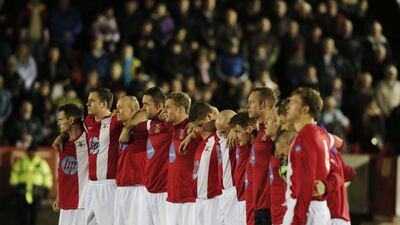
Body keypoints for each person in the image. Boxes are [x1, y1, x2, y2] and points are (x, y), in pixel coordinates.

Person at [282, 87, 331, 225]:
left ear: (304, 110)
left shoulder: (305, 137)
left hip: (306, 209)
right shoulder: (320, 134)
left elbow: (306, 182)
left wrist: (298, 219)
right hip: (316, 209)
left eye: (293, 102)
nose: (288, 106)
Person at [163, 92, 199, 225]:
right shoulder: (170, 126)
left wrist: (196, 128)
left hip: (188, 199)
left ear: (180, 109)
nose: (164, 110)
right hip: (171, 197)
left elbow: (215, 119)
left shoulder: (194, 128)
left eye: (168, 107)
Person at [114, 96, 149, 225]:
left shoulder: (143, 127)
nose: (116, 111)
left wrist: (128, 128)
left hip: (136, 188)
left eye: (120, 108)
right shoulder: (121, 127)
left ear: (132, 110)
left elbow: (145, 112)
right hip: (121, 187)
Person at [53, 103, 88, 225]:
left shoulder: (89, 139)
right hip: (65, 207)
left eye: (61, 120)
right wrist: (58, 197)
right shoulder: (62, 145)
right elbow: (61, 173)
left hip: (83, 206)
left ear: (71, 120)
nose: (58, 123)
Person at [247, 87, 278, 225]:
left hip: (270, 206)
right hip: (257, 205)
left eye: (252, 102)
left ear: (264, 104)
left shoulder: (276, 131)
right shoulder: (259, 132)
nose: (248, 106)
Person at [142, 87, 172, 225]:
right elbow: (136, 116)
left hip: (163, 192)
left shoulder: (171, 124)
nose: (143, 108)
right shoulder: (150, 123)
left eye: (147, 104)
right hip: (148, 190)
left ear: (160, 106)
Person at [188, 102, 221, 225]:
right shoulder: (201, 141)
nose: (198, 129)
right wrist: (192, 135)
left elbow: (225, 119)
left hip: (214, 201)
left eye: (200, 125)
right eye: (195, 127)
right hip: (198, 201)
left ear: (209, 117)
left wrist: (216, 118)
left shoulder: (219, 137)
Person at [10, 145, 53, 225]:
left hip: (36, 190)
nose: (32, 153)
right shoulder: (21, 162)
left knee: (35, 211)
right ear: (27, 152)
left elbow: (47, 175)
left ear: (36, 152)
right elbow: (15, 173)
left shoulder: (41, 163)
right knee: (22, 211)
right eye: (30, 151)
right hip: (22, 189)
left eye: (33, 151)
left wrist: (47, 187)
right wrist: (14, 184)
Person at [230, 112, 257, 225]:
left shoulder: (257, 147)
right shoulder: (243, 147)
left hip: (253, 204)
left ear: (249, 129)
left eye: (237, 132)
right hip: (241, 201)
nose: (234, 136)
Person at [215, 110, 240, 225]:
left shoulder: (240, 138)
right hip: (222, 193)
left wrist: (236, 130)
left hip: (235, 192)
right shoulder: (220, 137)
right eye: (219, 132)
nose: (221, 135)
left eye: (224, 132)